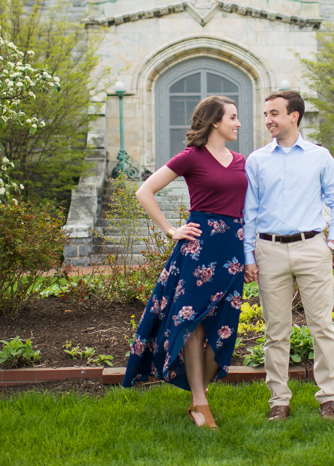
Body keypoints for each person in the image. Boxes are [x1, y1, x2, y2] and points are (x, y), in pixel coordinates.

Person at [121, 95, 247, 430]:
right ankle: (200, 404)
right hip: (198, 250)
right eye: (232, 118)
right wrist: (171, 230)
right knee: (191, 323)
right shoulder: (191, 157)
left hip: (232, 252)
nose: (237, 123)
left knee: (224, 326)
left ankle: (198, 393)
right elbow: (144, 191)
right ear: (215, 121)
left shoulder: (241, 161)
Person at [243, 90, 334, 421]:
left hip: (312, 248)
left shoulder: (319, 156)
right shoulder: (256, 160)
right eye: (265, 114)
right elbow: (249, 211)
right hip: (270, 250)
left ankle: (328, 397)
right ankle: (279, 401)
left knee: (322, 326)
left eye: (274, 113)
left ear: (294, 116)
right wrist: (249, 253)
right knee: (276, 330)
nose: (268, 120)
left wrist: (331, 242)